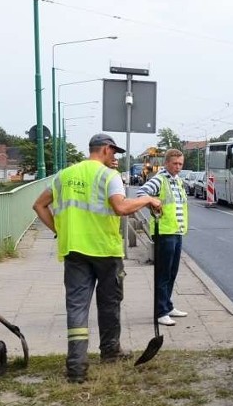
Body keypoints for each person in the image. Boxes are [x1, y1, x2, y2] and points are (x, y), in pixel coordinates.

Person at [33, 133, 162, 383]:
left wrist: (60, 231)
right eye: (113, 152)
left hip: (74, 250)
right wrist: (147, 199)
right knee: (109, 303)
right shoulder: (108, 176)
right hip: (105, 251)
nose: (115, 157)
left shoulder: (65, 175)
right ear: (104, 149)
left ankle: (76, 366)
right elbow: (121, 208)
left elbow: (39, 205)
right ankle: (110, 352)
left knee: (77, 306)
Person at [136, 148, 189, 326]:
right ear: (166, 163)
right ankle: (160, 312)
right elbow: (141, 193)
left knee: (172, 272)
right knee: (163, 273)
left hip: (176, 231)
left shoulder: (178, 180)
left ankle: (168, 305)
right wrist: (152, 202)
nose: (178, 167)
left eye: (180, 164)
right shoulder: (160, 179)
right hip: (164, 232)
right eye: (175, 163)